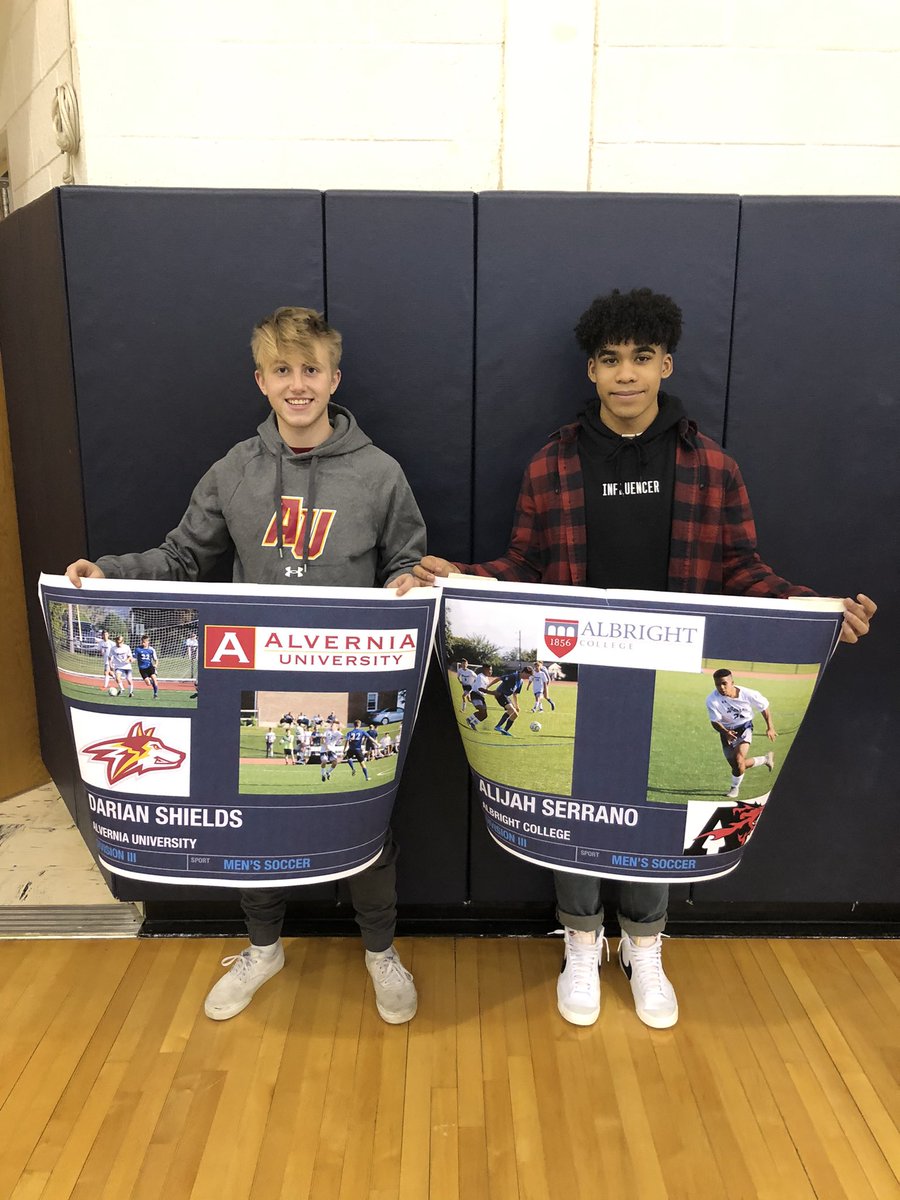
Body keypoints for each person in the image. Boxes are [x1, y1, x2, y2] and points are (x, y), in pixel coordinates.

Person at [409, 286, 876, 1031]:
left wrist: (813, 610)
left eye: (641, 359)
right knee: (576, 811)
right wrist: (457, 580)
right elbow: (525, 567)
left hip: (672, 674)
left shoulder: (711, 466)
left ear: (666, 364)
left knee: (657, 814)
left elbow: (741, 569)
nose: (626, 374)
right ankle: (581, 941)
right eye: (609, 360)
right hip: (582, 672)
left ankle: (646, 947)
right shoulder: (552, 464)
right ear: (591, 372)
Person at [66, 305, 424, 1027]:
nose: (299, 385)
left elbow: (407, 562)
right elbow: (181, 558)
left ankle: (380, 951)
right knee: (255, 822)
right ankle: (264, 947)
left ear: (333, 378)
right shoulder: (234, 469)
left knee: (363, 822)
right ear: (261, 380)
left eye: (311, 370)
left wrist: (410, 582)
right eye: (283, 371)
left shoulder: (380, 474)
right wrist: (105, 574)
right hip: (252, 681)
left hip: (346, 682)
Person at [706, 668, 775, 798]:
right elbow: (714, 721)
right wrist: (726, 732)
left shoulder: (748, 693)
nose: (721, 687)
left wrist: (770, 727)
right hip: (726, 731)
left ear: (732, 682)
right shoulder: (712, 700)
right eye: (717, 684)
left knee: (738, 760)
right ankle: (765, 759)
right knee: (738, 766)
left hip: (745, 727)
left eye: (724, 683)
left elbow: (764, 707)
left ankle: (734, 789)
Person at [486, 666, 534, 736]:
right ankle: (498, 726)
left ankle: (504, 731)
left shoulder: (521, 681)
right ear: (523, 672)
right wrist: (488, 686)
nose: (528, 677)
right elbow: (498, 679)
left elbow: (515, 694)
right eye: (528, 675)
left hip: (506, 697)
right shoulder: (513, 676)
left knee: (515, 714)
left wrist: (517, 705)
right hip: (500, 694)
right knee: (511, 710)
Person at [464, 665, 495, 730]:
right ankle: (469, 719)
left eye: (491, 670)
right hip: (475, 695)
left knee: (484, 715)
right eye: (490, 670)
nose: (491, 671)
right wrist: (491, 692)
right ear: (485, 669)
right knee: (481, 710)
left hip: (481, 697)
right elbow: (479, 688)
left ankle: (472, 723)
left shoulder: (486, 678)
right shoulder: (480, 677)